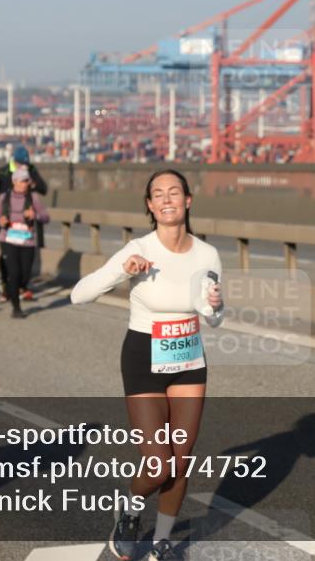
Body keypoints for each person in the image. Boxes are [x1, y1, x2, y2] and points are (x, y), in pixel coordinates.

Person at [70, 169, 224, 561]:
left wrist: (217, 307)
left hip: (189, 355)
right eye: (159, 194)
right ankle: (131, 510)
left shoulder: (208, 254)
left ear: (188, 200)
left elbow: (212, 315)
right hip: (144, 355)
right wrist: (124, 270)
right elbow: (78, 295)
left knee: (180, 460)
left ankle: (162, 542)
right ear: (150, 206)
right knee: (158, 465)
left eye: (175, 192)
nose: (167, 199)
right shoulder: (138, 248)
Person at [0, 168, 49, 318]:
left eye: (27, 181)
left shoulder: (33, 198)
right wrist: (1, 220)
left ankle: (17, 288)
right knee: (14, 273)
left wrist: (35, 215)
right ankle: (16, 307)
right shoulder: (4, 198)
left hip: (27, 240)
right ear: (14, 182)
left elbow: (46, 217)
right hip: (8, 239)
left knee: (25, 275)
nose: (25, 184)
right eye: (22, 181)